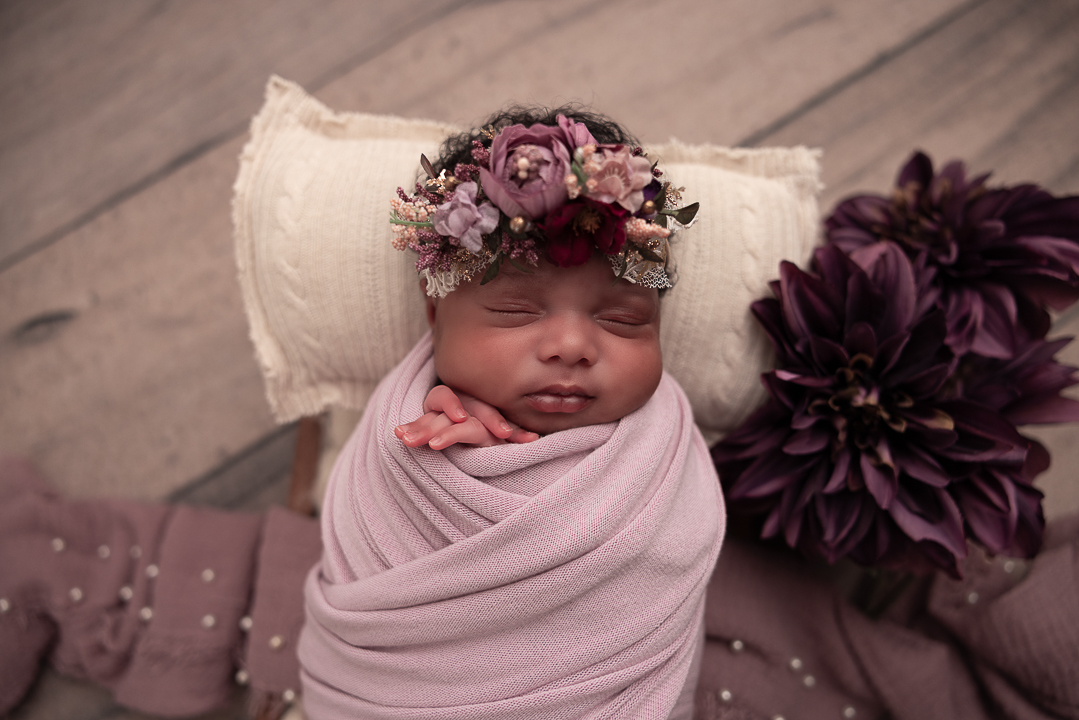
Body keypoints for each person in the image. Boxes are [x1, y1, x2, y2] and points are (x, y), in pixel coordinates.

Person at [296, 107, 725, 720]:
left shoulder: (661, 453)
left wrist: (521, 456)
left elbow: (652, 568)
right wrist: (464, 457)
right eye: (516, 311)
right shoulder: (408, 436)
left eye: (623, 318)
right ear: (434, 314)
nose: (571, 347)